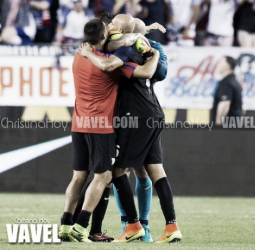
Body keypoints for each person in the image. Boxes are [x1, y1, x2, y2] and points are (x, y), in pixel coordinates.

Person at [80, 13, 182, 243]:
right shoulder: (141, 46)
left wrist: (88, 52)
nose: (110, 25)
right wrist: (147, 39)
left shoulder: (124, 49)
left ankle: (133, 226)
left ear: (121, 30)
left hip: (136, 116)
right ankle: (171, 227)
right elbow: (156, 69)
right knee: (156, 170)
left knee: (116, 171)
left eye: (114, 22)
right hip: (153, 111)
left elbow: (108, 61)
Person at [58, 17, 160, 243]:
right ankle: (81, 226)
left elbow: (111, 44)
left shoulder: (78, 55)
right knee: (103, 176)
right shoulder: (110, 62)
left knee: (78, 178)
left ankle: (65, 224)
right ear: (104, 37)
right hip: (100, 126)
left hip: (78, 124)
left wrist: (134, 34)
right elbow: (146, 73)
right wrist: (155, 55)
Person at [211, 56, 242, 125]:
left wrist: (218, 124)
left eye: (220, 62)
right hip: (234, 126)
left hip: (227, 127)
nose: (217, 64)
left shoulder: (226, 82)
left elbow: (225, 103)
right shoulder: (233, 81)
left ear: (228, 66)